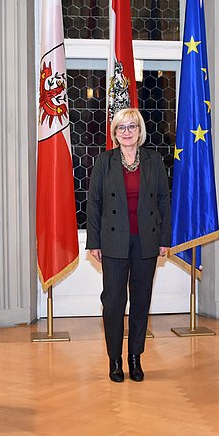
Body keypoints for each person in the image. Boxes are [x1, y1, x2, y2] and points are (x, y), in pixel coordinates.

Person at [86, 108, 171, 383]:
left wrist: (164, 240)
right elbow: (94, 204)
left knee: (140, 302)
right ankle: (115, 360)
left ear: (140, 131)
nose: (126, 132)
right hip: (113, 241)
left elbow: (163, 202)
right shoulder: (104, 162)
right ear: (115, 132)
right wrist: (94, 242)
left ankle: (135, 357)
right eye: (121, 127)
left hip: (146, 240)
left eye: (132, 127)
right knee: (113, 303)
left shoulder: (154, 160)